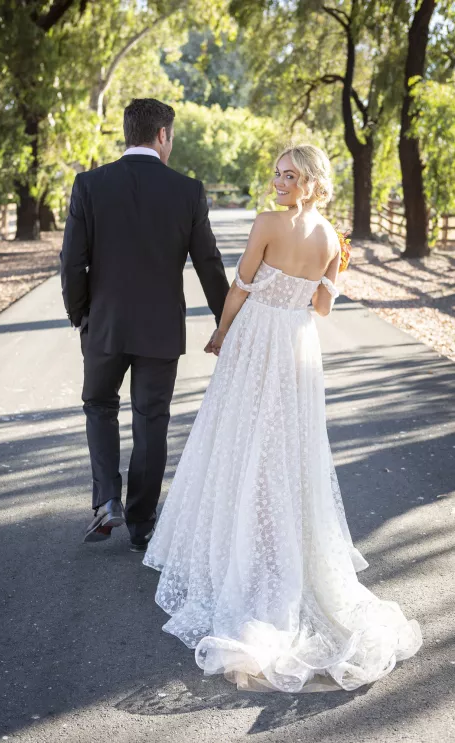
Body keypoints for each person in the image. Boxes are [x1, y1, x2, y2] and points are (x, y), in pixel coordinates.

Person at [143, 145, 422, 692]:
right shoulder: (332, 239)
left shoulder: (269, 223)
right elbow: (322, 308)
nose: (278, 182)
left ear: (311, 180)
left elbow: (241, 286)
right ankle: (275, 538)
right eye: (276, 173)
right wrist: (333, 269)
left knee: (239, 432)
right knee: (287, 443)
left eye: (289, 175)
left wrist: (222, 333)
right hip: (297, 341)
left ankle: (240, 542)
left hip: (258, 337)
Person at [60, 98, 229, 551]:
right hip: (161, 328)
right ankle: (141, 525)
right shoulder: (188, 191)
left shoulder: (89, 184)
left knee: (99, 405)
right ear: (162, 135)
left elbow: (72, 261)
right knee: (151, 420)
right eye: (171, 137)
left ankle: (106, 502)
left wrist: (81, 315)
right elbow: (209, 264)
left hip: (105, 325)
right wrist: (226, 322)